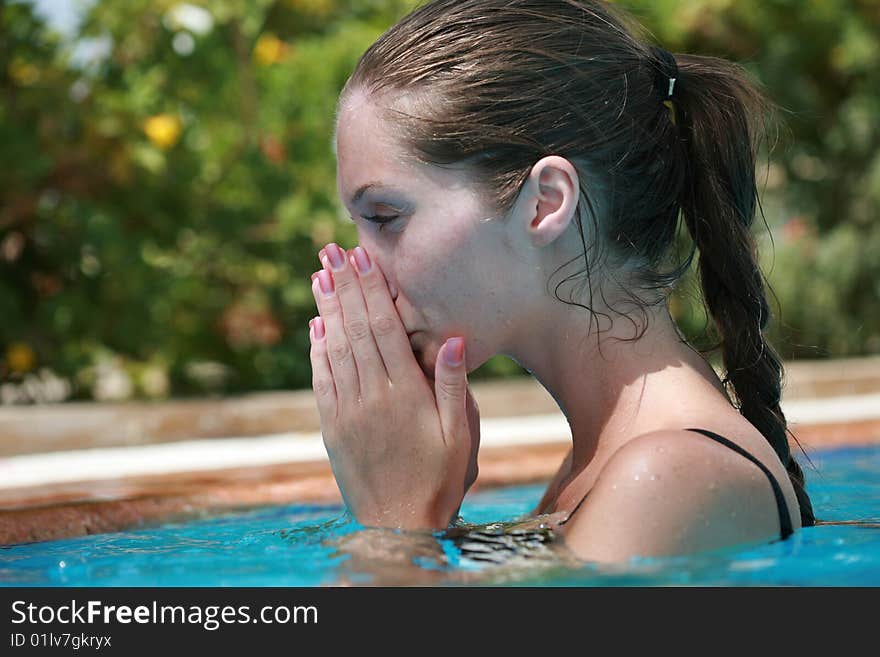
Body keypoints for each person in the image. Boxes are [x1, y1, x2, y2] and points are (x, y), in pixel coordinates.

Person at [307, 0, 816, 567]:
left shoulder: (671, 476)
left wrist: (393, 521)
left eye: (385, 217)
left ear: (546, 202)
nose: (363, 268)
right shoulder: (602, 468)